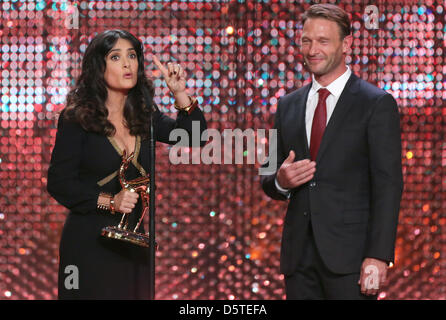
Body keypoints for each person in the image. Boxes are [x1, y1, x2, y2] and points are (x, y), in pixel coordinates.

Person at [47, 29, 207, 299]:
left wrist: (179, 93)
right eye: (116, 56)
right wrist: (110, 201)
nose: (127, 64)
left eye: (132, 56)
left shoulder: (145, 116)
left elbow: (195, 136)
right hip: (88, 247)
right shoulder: (77, 118)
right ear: (99, 66)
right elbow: (59, 183)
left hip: (134, 248)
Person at [261, 4, 403, 299]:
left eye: (323, 41)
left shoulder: (375, 103)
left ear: (346, 44)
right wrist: (280, 181)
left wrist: (378, 255)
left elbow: (388, 184)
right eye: (306, 40)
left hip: (352, 260)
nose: (313, 50)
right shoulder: (288, 105)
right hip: (299, 258)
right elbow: (268, 174)